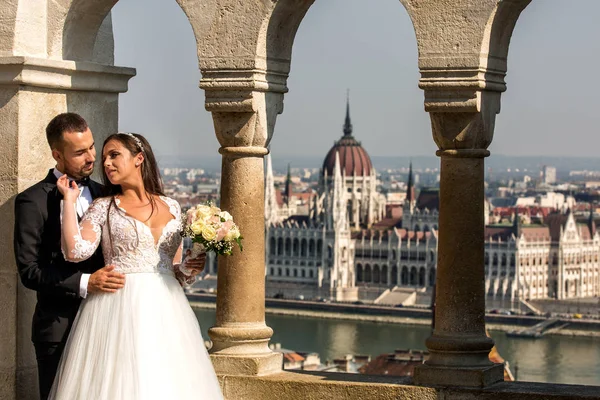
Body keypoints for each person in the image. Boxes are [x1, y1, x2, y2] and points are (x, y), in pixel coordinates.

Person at [50, 132, 223, 399]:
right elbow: (74, 252)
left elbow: (175, 269)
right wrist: (69, 202)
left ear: (139, 158)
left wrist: (190, 267)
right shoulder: (103, 207)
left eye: (114, 155)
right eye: (104, 157)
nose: (106, 163)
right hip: (117, 306)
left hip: (167, 311)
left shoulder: (173, 207)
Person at [13, 113, 126, 400]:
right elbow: (29, 271)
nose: (91, 157)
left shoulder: (106, 194)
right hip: (57, 328)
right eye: (79, 152)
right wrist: (87, 282)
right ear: (57, 154)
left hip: (105, 324)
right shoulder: (32, 200)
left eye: (91, 147)